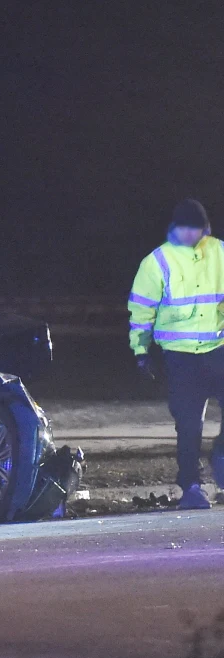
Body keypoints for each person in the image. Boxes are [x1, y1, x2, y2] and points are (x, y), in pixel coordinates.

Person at [129, 198, 224, 510]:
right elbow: (141, 310)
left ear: (204, 227)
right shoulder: (157, 262)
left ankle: (220, 460)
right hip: (180, 358)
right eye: (184, 227)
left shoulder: (220, 253)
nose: (189, 233)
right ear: (174, 227)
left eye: (194, 228)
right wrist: (141, 352)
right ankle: (191, 487)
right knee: (188, 425)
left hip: (218, 350)